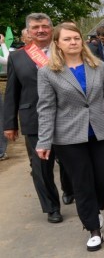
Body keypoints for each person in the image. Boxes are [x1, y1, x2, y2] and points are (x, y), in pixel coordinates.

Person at [36, 22, 104, 251]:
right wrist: (44, 140)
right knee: (82, 183)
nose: (72, 42)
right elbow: (46, 108)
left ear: (83, 41)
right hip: (68, 137)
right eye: (67, 39)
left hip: (101, 132)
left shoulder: (97, 66)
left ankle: (95, 209)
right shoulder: (48, 72)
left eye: (76, 38)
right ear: (57, 43)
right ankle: (93, 229)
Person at [4, 13, 74, 222]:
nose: (41, 30)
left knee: (69, 159)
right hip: (33, 118)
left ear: (51, 29)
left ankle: (69, 188)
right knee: (41, 166)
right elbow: (11, 92)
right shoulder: (17, 57)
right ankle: (51, 207)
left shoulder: (64, 52)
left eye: (45, 26)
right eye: (36, 27)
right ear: (29, 31)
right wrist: (9, 124)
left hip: (66, 115)